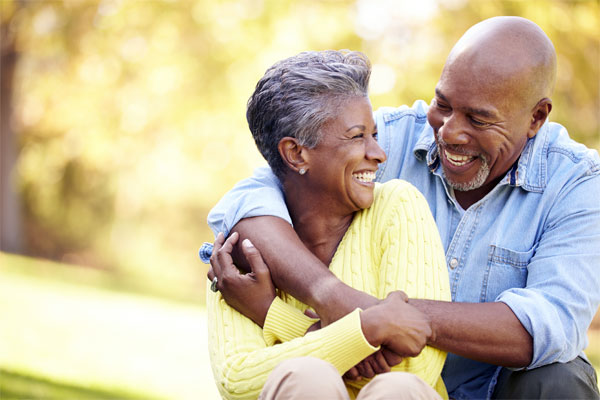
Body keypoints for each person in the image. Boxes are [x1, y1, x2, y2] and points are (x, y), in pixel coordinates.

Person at [205, 16, 600, 399]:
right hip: (369, 385)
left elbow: (550, 325)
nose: (449, 132)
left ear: (536, 117)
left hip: (491, 389)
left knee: (561, 379)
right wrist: (332, 297)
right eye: (442, 104)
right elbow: (252, 199)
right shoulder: (388, 138)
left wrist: (379, 321)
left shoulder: (578, 183)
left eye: (478, 119)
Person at [203, 50, 451, 399]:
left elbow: (416, 367)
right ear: (296, 153)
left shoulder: (398, 206)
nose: (379, 154)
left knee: (397, 388)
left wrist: (273, 315)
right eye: (356, 137)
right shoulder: (241, 251)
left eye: (375, 135)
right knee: (305, 378)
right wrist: (368, 329)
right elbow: (239, 380)